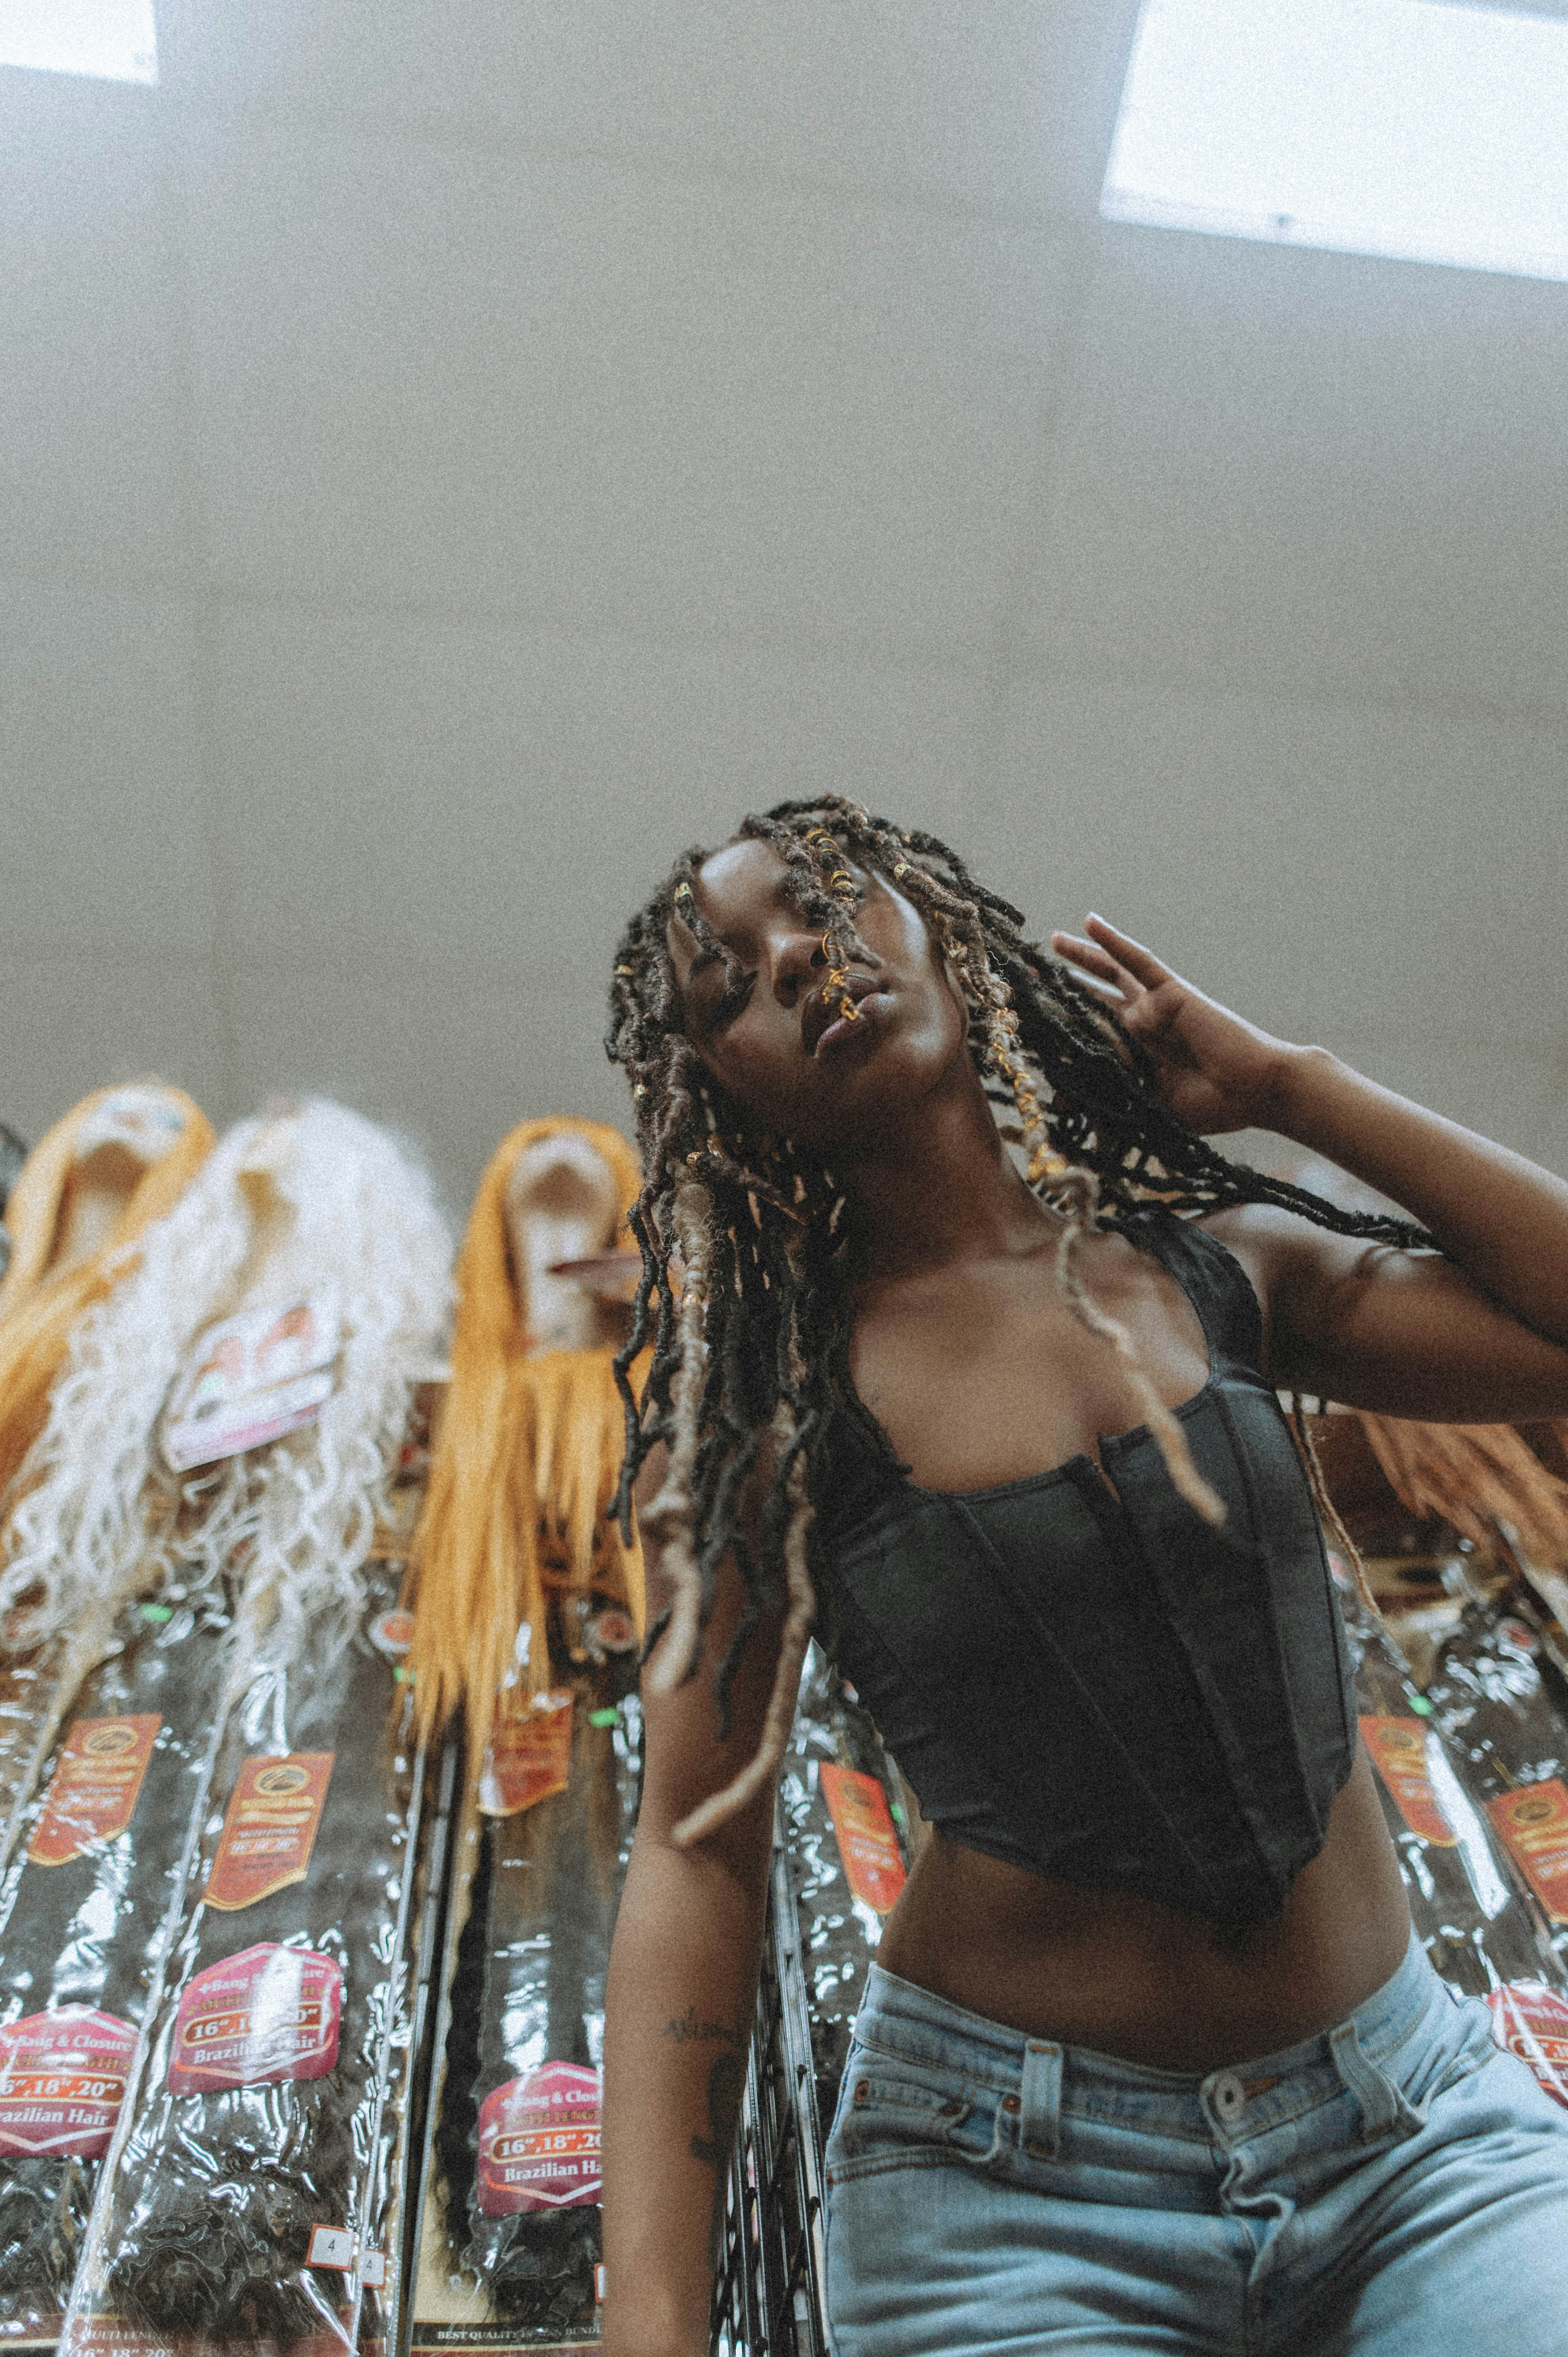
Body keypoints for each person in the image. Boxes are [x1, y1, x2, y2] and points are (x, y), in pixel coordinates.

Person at [599, 794, 1568, 2357]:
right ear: (723, 1088)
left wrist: (1290, 1089)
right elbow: (695, 1855)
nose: (792, 961)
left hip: (1413, 2134)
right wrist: (643, 2329)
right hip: (1010, 2199)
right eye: (729, 986)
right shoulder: (757, 1422)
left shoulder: (1217, 1258)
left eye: (822, 903)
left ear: (931, 920)